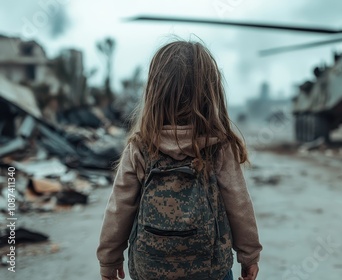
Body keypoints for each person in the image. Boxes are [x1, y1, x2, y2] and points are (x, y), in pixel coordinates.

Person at [96, 40, 262, 280]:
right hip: (210, 270)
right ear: (210, 94)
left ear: (154, 93)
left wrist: (109, 260)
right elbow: (240, 205)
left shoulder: (141, 147)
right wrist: (249, 256)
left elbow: (119, 208)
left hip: (150, 270)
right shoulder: (218, 147)